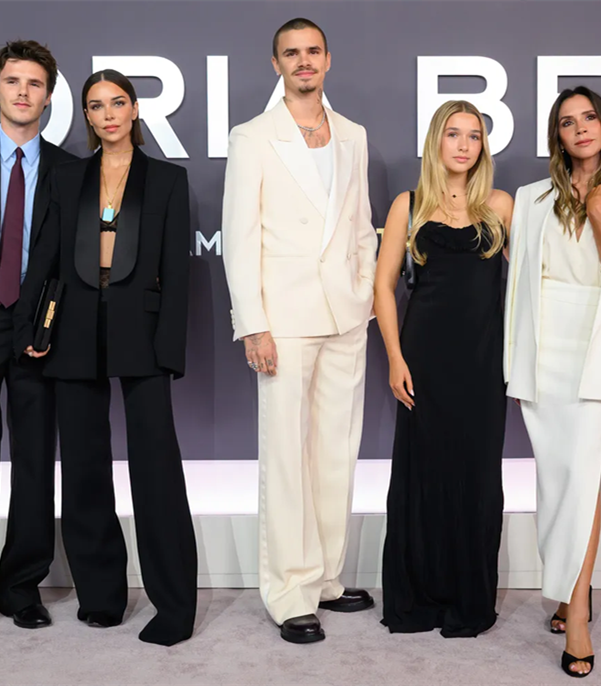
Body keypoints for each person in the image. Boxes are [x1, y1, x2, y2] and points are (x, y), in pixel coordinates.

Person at [13, 69, 197, 646]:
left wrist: (169, 350)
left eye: (118, 103)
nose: (108, 114)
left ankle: (174, 606)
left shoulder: (167, 179)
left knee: (156, 469)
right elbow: (45, 257)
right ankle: (100, 597)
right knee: (85, 469)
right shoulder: (68, 177)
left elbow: (177, 273)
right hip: (73, 329)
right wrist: (32, 327)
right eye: (96, 106)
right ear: (87, 117)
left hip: (141, 331)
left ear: (135, 109)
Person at [222, 18, 377, 644]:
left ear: (328, 59)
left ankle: (326, 578)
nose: (303, 61)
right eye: (292, 53)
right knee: (287, 455)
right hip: (282, 321)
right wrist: (252, 324)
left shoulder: (353, 134)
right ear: (276, 64)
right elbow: (239, 236)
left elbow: (361, 224)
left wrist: (363, 295)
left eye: (312, 51)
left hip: (345, 316)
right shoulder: (252, 136)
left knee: (336, 451)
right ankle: (289, 591)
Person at [505, 86, 601, 677]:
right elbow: (521, 281)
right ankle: (566, 589)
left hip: (596, 344)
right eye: (568, 122)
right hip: (544, 349)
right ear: (557, 137)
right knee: (557, 477)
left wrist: (597, 214)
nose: (580, 128)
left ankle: (579, 613)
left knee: (584, 475)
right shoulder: (531, 197)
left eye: (589, 118)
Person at [376, 100, 512, 638]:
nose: (463, 144)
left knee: (478, 476)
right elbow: (383, 287)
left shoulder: (499, 206)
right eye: (453, 134)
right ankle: (420, 596)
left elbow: (532, 282)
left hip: (482, 363)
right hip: (423, 360)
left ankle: (468, 597)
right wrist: (395, 357)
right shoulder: (407, 206)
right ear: (436, 141)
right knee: (424, 475)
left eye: (473, 136)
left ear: (483, 147)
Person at [0, 40, 76, 630]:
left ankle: (20, 586)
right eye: (13, 81)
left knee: (34, 457)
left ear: (48, 97)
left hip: (37, 325)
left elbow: (69, 262)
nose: (23, 92)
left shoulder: (68, 170)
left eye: (34, 84)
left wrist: (46, 320)